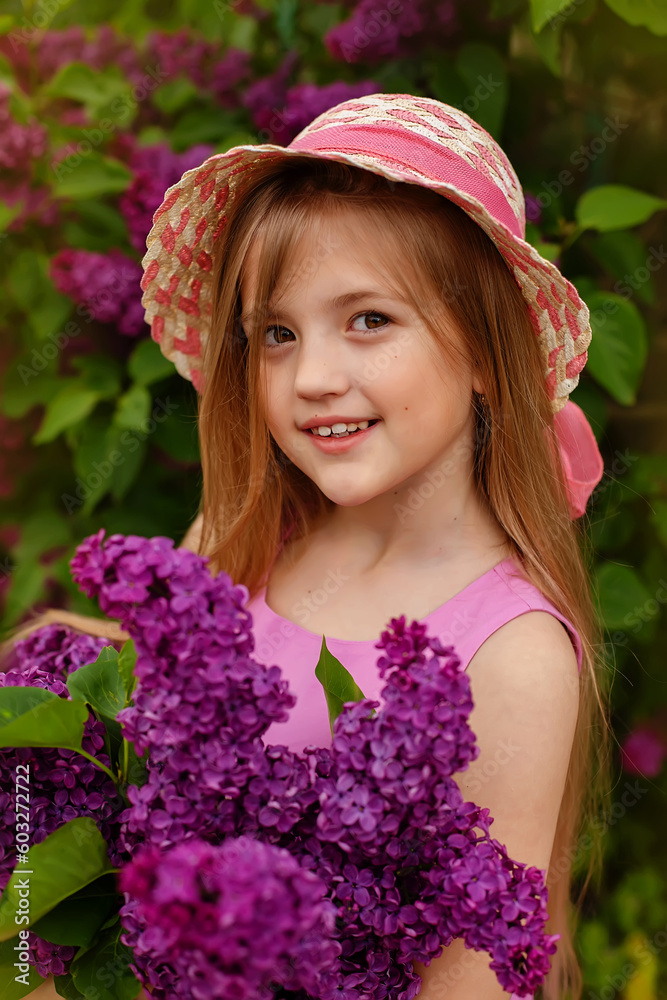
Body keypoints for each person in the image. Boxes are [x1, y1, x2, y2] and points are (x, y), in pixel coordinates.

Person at [6, 93, 608, 1000]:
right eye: (276, 334)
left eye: (369, 319)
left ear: (487, 351)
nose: (313, 378)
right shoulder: (246, 542)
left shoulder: (510, 654)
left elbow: (468, 983)